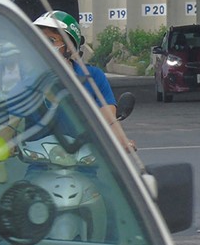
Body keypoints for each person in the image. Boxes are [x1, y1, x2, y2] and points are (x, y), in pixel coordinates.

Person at [32, 10, 135, 151]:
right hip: (38, 161)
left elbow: (109, 120)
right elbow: (13, 118)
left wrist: (121, 141)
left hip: (85, 159)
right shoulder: (28, 77)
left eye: (50, 40)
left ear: (69, 46)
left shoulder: (93, 77)